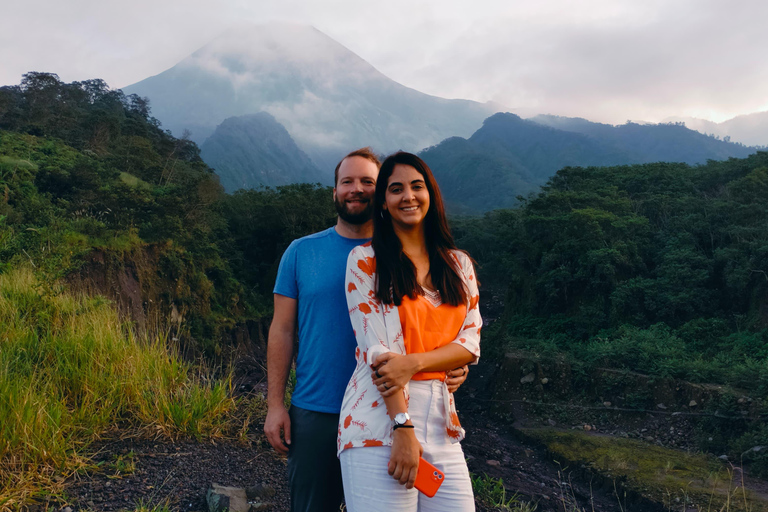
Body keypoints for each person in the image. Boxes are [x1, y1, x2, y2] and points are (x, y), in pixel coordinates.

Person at [264, 148, 469, 512]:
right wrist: (275, 405)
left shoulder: (408, 257)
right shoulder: (302, 252)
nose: (356, 189)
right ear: (334, 191)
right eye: (347, 181)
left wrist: (451, 364)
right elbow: (281, 329)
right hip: (318, 409)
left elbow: (439, 327)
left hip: (391, 410)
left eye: (367, 182)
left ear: (381, 195)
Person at [338, 151, 481, 511]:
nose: (408, 196)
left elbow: (470, 341)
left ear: (431, 195)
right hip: (378, 421)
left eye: (417, 187)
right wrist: (401, 427)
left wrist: (414, 363)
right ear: (383, 204)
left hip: (442, 422)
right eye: (395, 189)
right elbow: (380, 354)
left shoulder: (458, 264)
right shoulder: (366, 261)